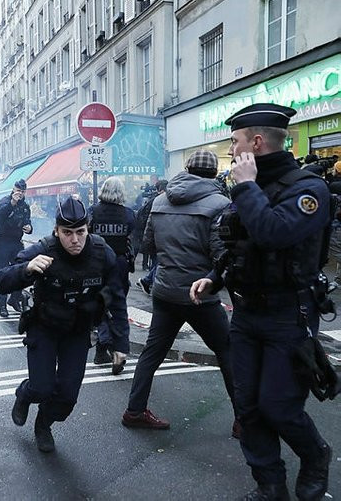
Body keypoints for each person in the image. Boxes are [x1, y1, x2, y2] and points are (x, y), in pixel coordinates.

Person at [191, 103, 333, 501]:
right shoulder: (246, 189)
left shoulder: (308, 188)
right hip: (246, 314)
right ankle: (269, 484)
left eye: (235, 142)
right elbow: (240, 243)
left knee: (279, 406)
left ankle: (315, 455)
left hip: (290, 314)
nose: (231, 150)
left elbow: (273, 233)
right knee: (247, 406)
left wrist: (247, 186)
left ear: (256, 143)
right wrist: (214, 276)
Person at [0, 197, 128, 452]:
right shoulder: (44, 249)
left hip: (77, 330)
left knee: (67, 397)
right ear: (56, 231)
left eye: (80, 232)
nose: (75, 240)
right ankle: (24, 393)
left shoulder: (102, 252)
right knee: (41, 387)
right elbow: (0, 281)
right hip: (44, 326)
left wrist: (120, 343)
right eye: (67, 233)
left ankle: (43, 423)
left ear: (88, 229)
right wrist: (27, 269)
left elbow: (116, 298)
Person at [122, 149, 237, 436]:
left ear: (186, 168)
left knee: (152, 353)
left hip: (165, 290)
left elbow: (148, 245)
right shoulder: (220, 203)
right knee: (227, 352)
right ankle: (245, 419)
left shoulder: (161, 200)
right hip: (201, 293)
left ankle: (134, 410)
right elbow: (221, 254)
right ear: (213, 173)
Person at [88, 176, 135, 372]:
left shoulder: (92, 212)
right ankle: (118, 351)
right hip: (119, 264)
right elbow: (135, 239)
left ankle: (102, 345)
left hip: (97, 263)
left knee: (100, 305)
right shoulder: (129, 214)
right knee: (118, 307)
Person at [0, 179, 33, 317]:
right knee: (2, 273)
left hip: (16, 241)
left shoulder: (25, 206)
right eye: (18, 190)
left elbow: (27, 221)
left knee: (21, 270)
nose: (20, 194)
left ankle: (14, 299)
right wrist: (12, 203)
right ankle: (2, 305)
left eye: (22, 191)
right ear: (13, 189)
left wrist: (29, 228)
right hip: (2, 242)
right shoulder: (5, 201)